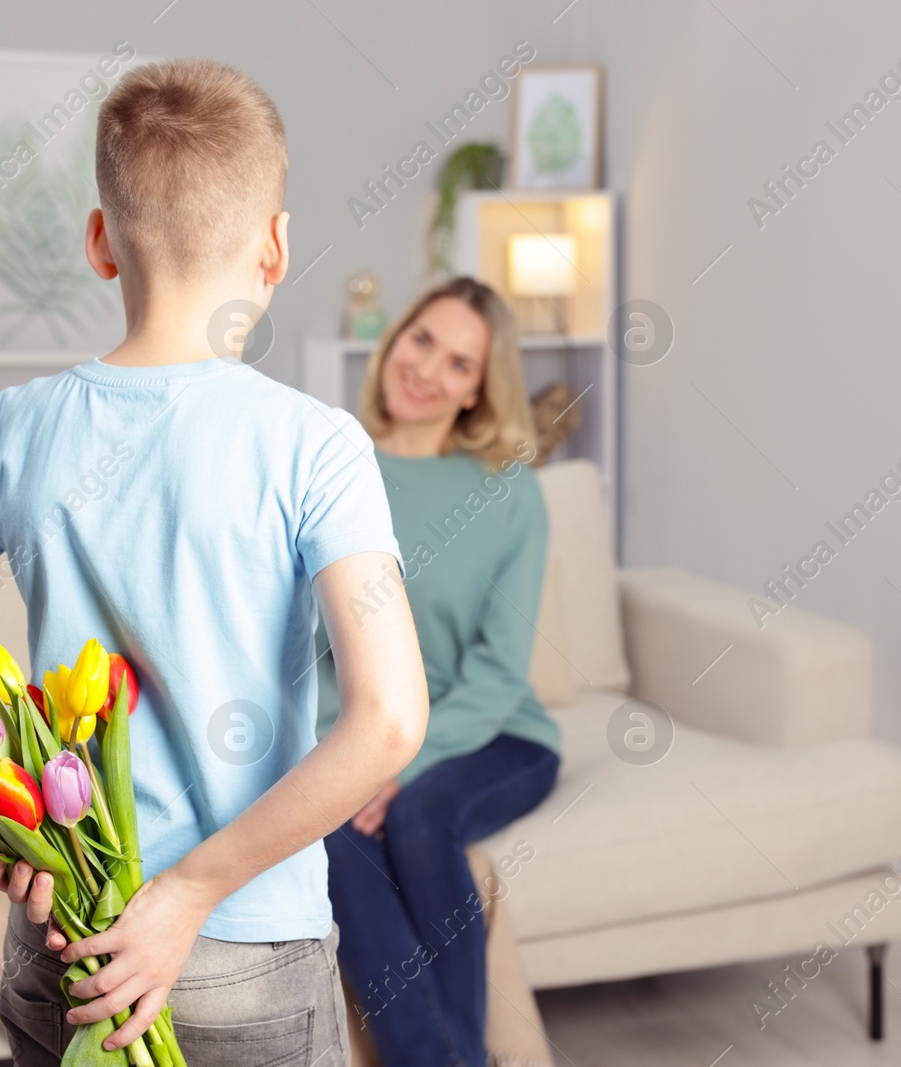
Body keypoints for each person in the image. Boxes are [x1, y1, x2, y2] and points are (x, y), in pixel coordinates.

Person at [0, 59, 429, 1067]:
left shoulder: (16, 428)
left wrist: (18, 818)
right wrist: (189, 891)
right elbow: (388, 719)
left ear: (99, 242)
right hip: (249, 950)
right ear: (275, 245)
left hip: (67, 942)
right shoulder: (316, 444)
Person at [315, 277, 561, 1067]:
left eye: (459, 363)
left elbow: (498, 671)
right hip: (366, 733)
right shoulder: (330, 462)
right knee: (332, 836)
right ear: (395, 337)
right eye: (422, 338)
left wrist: (402, 762)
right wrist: (351, 762)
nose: (427, 368)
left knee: (419, 817)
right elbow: (308, 645)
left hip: (495, 736)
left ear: (478, 391)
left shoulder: (510, 493)